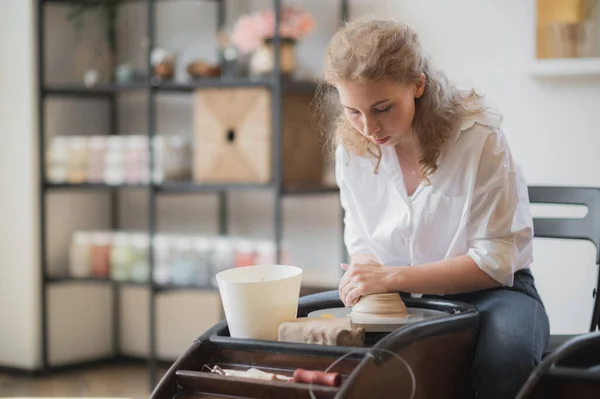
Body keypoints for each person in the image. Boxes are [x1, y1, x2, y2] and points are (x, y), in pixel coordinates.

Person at [323, 19, 550, 399]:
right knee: (342, 356)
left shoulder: (477, 139)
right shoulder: (351, 149)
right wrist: (364, 281)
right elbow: (361, 239)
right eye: (353, 111)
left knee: (504, 360)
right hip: (398, 297)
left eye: (382, 108)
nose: (368, 128)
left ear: (417, 84)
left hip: (494, 293)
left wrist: (392, 278)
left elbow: (494, 262)